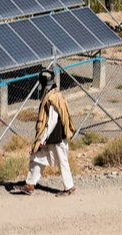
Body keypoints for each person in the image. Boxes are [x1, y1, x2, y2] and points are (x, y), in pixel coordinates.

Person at [12, 69, 77, 197]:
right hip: (52, 136)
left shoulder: (52, 98)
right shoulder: (57, 95)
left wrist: (42, 140)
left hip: (54, 136)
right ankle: (30, 184)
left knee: (61, 161)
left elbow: (52, 120)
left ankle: (69, 187)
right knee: (37, 158)